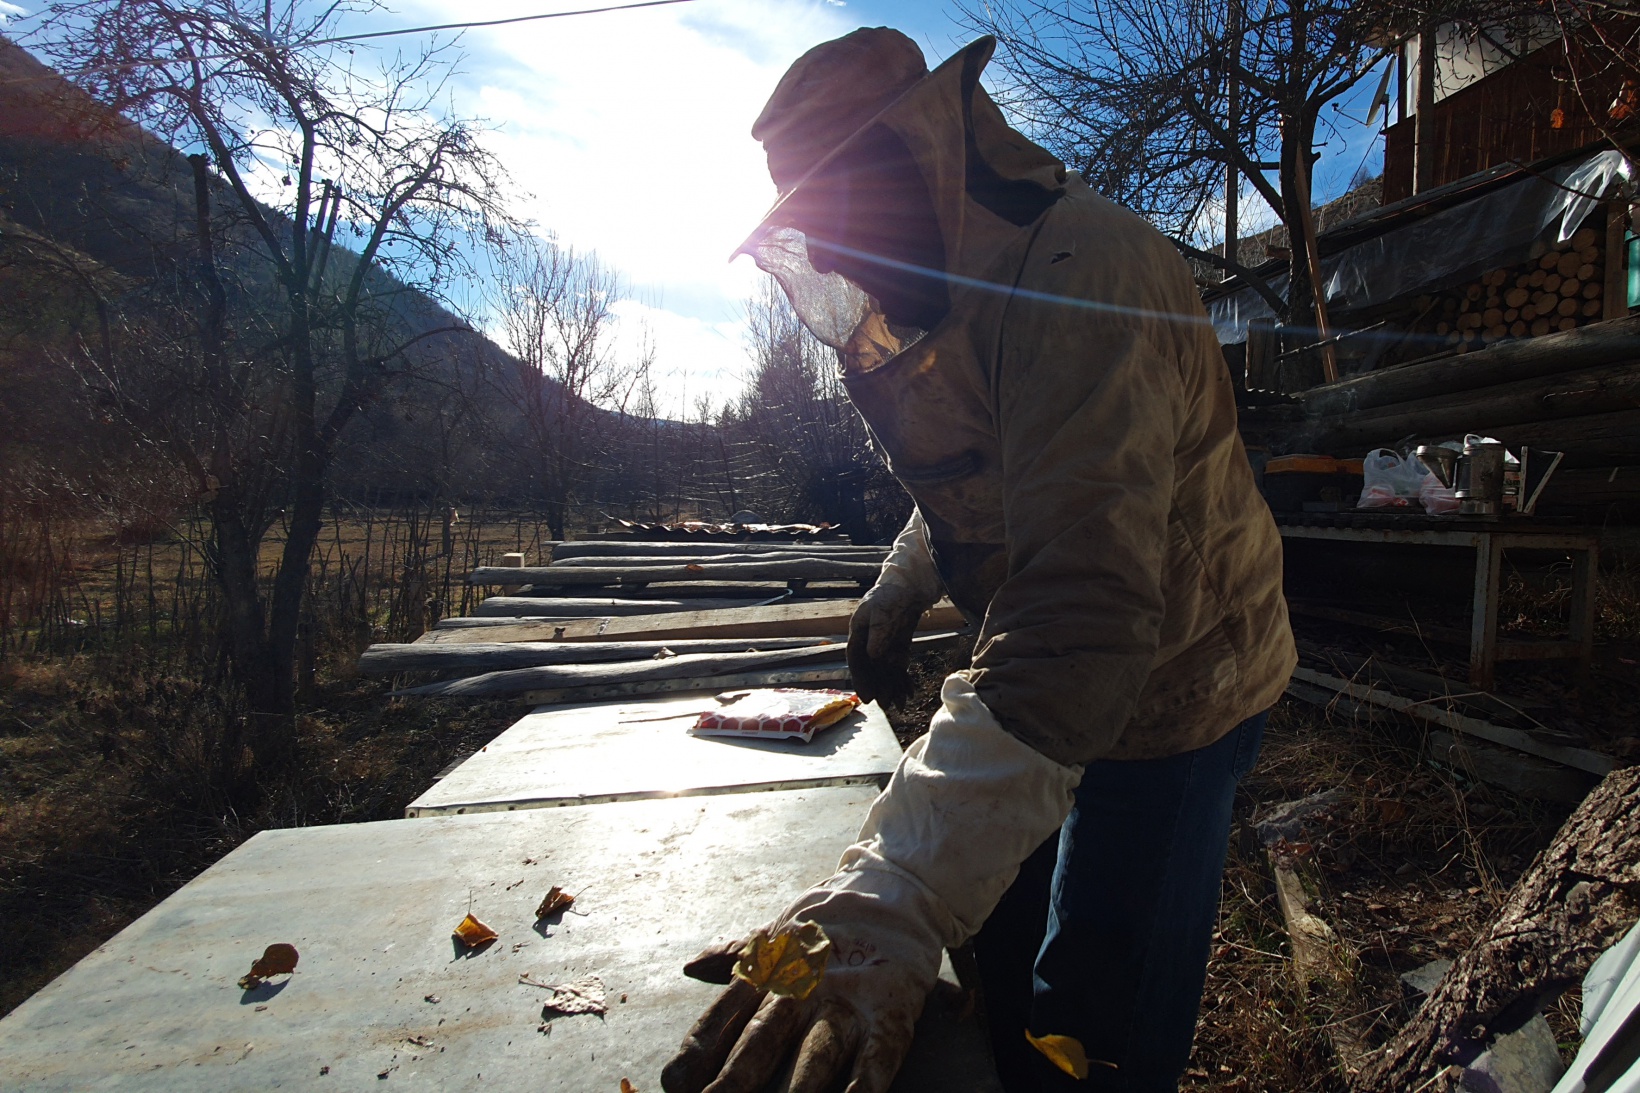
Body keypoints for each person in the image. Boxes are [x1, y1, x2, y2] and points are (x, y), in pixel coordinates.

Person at [662, 27, 1295, 1093]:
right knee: (998, 951)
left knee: (1092, 1019)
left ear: (920, 162)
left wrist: (895, 886)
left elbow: (1082, 606)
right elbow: (1005, 475)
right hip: (1048, 672)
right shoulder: (971, 287)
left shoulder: (1080, 275)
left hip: (1181, 680)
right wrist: (901, 581)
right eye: (811, 231)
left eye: (838, 217)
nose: (831, 259)